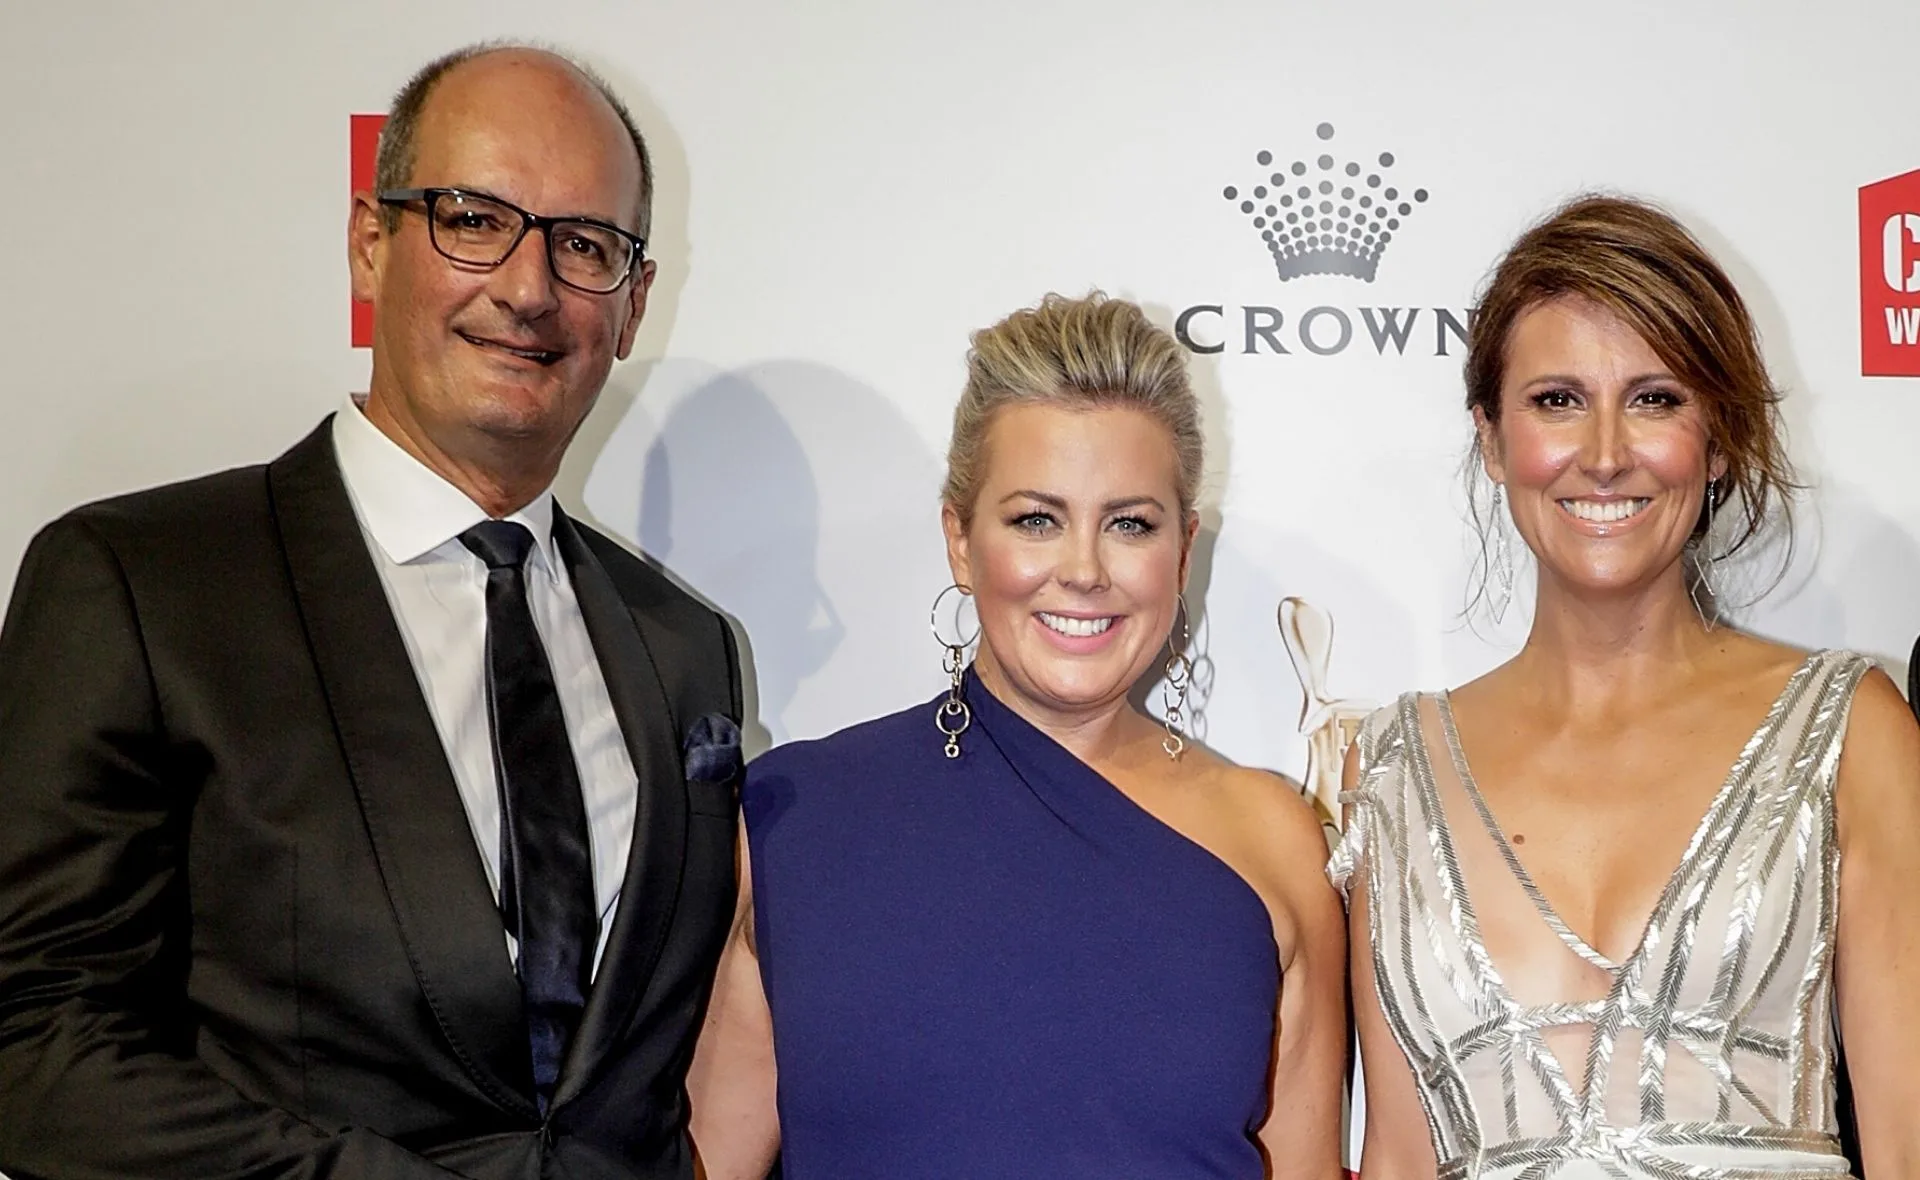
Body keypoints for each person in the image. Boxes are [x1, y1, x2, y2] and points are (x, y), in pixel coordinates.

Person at [0, 43, 743, 1179]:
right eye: (473, 219)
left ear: (634, 305)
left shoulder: (684, 646)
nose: (529, 287)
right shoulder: (139, 585)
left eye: (585, 244)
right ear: (369, 241)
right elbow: (33, 1041)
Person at [686, 292, 1347, 1179]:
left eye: (1130, 524)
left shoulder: (1275, 841)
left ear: (1184, 551)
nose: (1083, 570)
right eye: (1037, 519)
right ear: (960, 541)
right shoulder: (796, 820)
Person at [1331, 195, 1920, 1179]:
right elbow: (1396, 1154)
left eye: (1654, 399)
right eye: (1557, 400)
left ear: (1718, 439)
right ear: (1491, 438)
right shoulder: (1390, 768)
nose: (1604, 455)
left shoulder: (1851, 733)